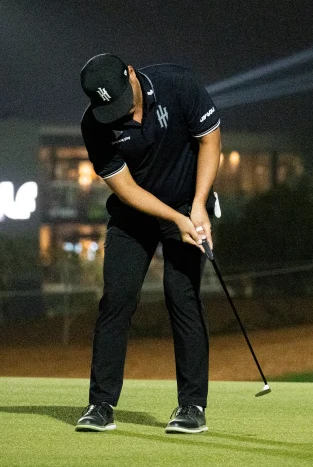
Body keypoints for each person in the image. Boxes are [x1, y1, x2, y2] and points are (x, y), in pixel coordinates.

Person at [74, 53, 221, 434]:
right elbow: (124, 188)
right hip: (134, 213)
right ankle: (100, 405)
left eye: (124, 103)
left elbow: (209, 141)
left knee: (181, 294)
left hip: (187, 201)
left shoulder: (178, 84)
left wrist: (199, 206)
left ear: (132, 75)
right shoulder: (94, 125)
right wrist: (173, 218)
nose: (123, 115)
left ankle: (192, 407)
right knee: (116, 301)